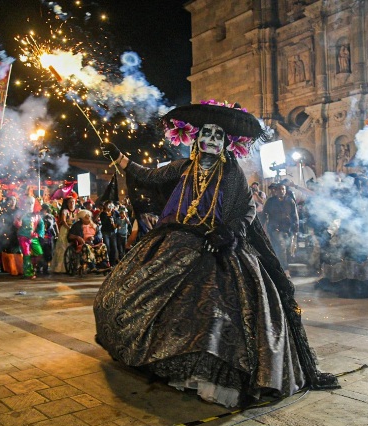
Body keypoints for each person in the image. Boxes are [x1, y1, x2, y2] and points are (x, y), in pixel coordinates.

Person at [95, 101, 338, 408]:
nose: (210, 139)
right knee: (135, 296)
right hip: (176, 243)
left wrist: (229, 232)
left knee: (214, 310)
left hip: (219, 246)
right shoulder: (182, 168)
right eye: (205, 135)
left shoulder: (231, 173)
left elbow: (248, 209)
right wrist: (119, 157)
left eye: (217, 136)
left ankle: (213, 376)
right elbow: (147, 176)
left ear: (225, 144)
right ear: (196, 140)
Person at [263, 183, 299, 278]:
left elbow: (295, 216)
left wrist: (295, 230)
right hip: (275, 228)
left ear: (285, 190)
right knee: (281, 246)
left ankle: (277, 268)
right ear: (276, 191)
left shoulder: (290, 201)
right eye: (279, 189)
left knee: (284, 249)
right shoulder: (270, 201)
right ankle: (285, 270)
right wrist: (263, 227)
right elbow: (264, 214)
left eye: (283, 189)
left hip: (287, 229)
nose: (281, 191)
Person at [68, 209, 109, 273]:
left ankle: (104, 264)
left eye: (89, 216)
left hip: (93, 243)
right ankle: (92, 267)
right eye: (86, 216)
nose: (88, 218)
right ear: (81, 218)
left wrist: (94, 238)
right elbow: (70, 236)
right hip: (83, 244)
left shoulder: (94, 225)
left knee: (103, 245)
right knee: (87, 246)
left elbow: (99, 235)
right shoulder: (77, 225)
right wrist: (77, 237)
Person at [15, 195, 44, 279]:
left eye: (32, 203)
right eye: (28, 203)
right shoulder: (21, 213)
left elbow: (41, 225)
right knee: (27, 255)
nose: (30, 205)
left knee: (39, 253)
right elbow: (17, 224)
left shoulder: (37, 215)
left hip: (33, 238)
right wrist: (19, 219)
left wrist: (38, 234)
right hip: (23, 237)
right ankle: (28, 273)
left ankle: (33, 269)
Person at [51, 196, 79, 273]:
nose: (72, 204)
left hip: (75, 230)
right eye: (70, 202)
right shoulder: (65, 211)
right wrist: (69, 228)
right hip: (66, 230)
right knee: (63, 246)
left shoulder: (77, 211)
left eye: (73, 202)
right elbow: (63, 221)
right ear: (67, 203)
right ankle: (61, 267)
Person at [39, 204, 58, 275]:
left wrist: (57, 234)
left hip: (50, 236)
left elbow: (54, 225)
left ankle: (45, 267)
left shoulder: (51, 216)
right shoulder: (39, 216)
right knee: (43, 252)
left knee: (49, 252)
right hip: (42, 236)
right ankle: (42, 267)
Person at [99, 201, 119, 265]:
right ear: (105, 206)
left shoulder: (114, 213)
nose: (110, 207)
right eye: (109, 205)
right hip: (105, 232)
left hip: (112, 232)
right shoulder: (103, 214)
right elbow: (103, 223)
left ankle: (113, 263)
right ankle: (107, 263)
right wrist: (108, 217)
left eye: (111, 205)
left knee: (114, 247)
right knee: (107, 247)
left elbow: (117, 220)